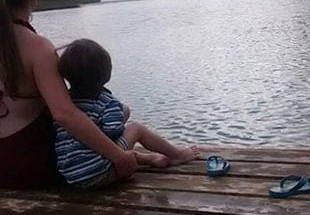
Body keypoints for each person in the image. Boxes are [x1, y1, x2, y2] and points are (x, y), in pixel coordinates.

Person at [0, 0, 138, 189]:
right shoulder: (38, 47)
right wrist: (120, 158)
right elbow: (64, 115)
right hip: (30, 169)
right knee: (110, 114)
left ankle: (141, 155)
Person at [54, 38, 200, 188]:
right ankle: (177, 155)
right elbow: (113, 131)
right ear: (106, 74)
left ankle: (149, 159)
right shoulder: (106, 102)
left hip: (70, 175)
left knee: (118, 121)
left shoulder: (65, 103)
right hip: (97, 173)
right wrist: (121, 120)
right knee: (136, 128)